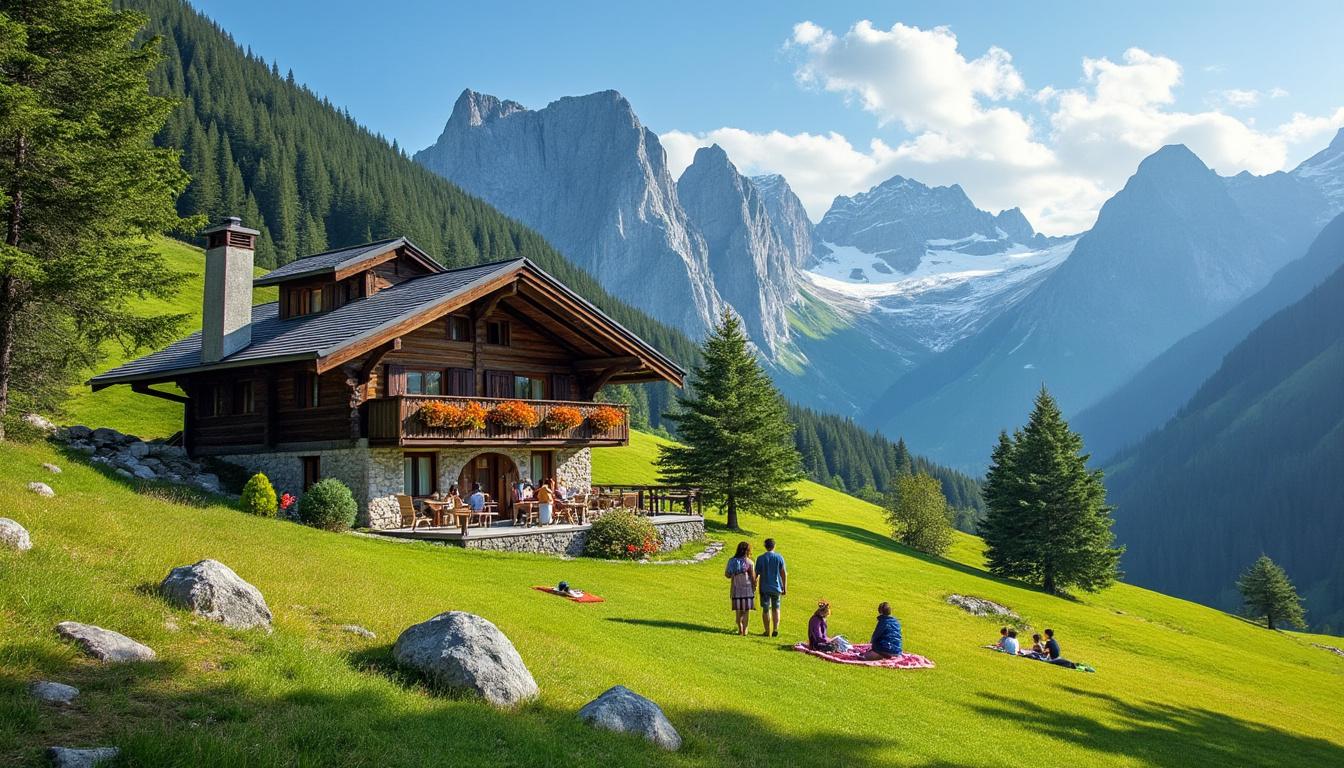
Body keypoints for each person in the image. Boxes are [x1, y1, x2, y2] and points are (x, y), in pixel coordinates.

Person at [755, 538, 787, 637]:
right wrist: (784, 587)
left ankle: (767, 630)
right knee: (776, 608)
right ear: (774, 546)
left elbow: (756, 574)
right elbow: (783, 573)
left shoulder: (761, 558)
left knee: (766, 609)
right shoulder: (779, 557)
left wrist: (753, 585)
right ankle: (775, 628)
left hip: (764, 588)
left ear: (765, 546)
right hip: (776, 587)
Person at [725, 541, 756, 636]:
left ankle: (740, 628)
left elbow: (727, 574)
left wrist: (734, 574)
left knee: (738, 611)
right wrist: (754, 587)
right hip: (747, 589)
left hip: (736, 589)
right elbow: (753, 578)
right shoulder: (750, 562)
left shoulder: (732, 561)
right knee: (746, 611)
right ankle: (745, 630)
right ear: (747, 551)